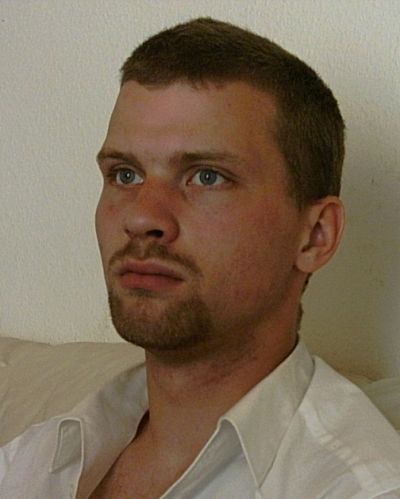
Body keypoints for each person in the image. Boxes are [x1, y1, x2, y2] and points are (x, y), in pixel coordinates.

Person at [1, 17, 400, 499]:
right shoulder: (39, 454)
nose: (141, 217)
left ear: (315, 236)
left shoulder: (356, 488)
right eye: (125, 175)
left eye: (207, 176)